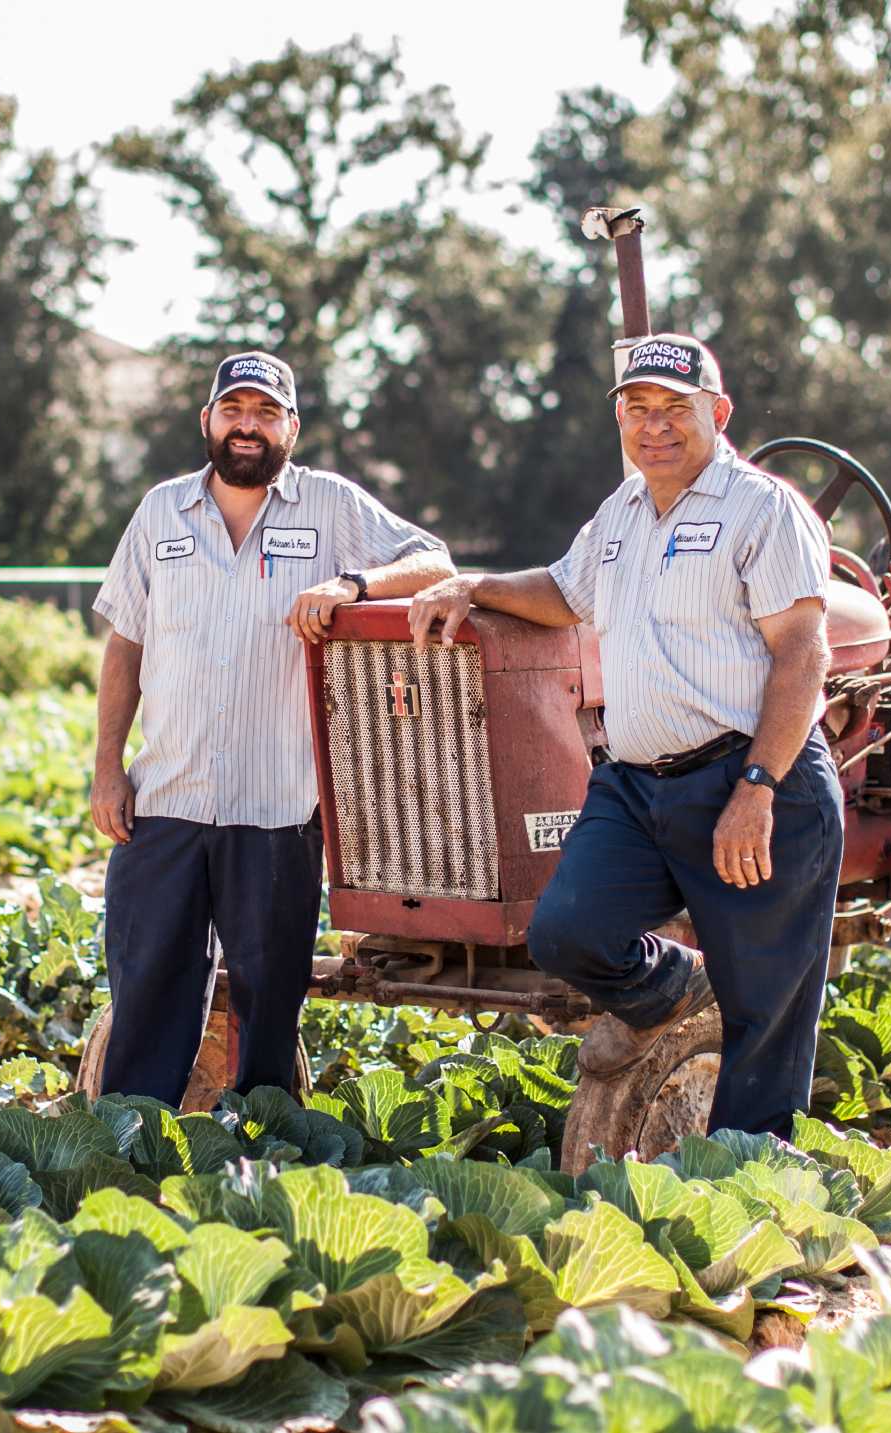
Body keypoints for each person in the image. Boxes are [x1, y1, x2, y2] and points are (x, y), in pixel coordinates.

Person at [407, 333, 841, 1138]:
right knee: (564, 930)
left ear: (718, 412)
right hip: (638, 785)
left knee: (764, 1024)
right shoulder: (622, 511)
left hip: (744, 778)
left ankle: (751, 1206)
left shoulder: (764, 509)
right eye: (637, 409)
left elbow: (803, 653)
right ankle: (677, 988)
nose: (655, 426)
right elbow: (565, 592)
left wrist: (758, 788)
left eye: (675, 408)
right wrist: (476, 586)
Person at [90, 351, 455, 1105]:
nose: (247, 426)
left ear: (291, 426)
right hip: (167, 798)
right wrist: (106, 766)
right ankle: (132, 1149)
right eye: (234, 411)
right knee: (147, 982)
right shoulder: (161, 512)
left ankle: (261, 1152)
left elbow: (435, 560)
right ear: (208, 421)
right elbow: (125, 643)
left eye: (264, 413)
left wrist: (353, 584)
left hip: (279, 807)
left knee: (268, 998)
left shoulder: (328, 505)